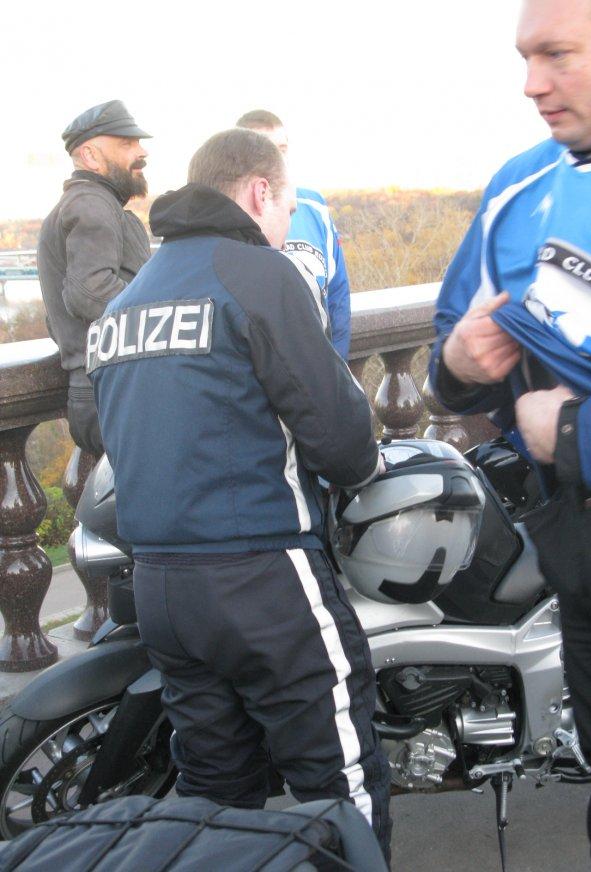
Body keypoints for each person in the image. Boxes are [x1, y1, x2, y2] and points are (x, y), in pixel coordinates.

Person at [87, 128, 391, 859]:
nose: (285, 224)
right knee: (339, 787)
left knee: (215, 799)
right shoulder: (259, 274)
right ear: (259, 192)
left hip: (160, 586)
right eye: (285, 207)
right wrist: (362, 469)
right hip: (262, 579)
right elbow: (342, 439)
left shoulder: (126, 302)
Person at [429, 1, 591, 869]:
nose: (531, 83)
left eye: (558, 54)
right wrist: (458, 363)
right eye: (524, 57)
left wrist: (574, 431)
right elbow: (452, 350)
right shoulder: (517, 188)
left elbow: (565, 426)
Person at [37, 100, 151, 456]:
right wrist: (163, 312)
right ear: (90, 156)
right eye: (126, 143)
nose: (141, 152)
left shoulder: (89, 202)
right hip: (112, 389)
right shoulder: (91, 203)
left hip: (102, 388)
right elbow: (89, 291)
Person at [236, 110, 352, 359]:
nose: (278, 159)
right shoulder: (229, 213)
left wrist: (337, 364)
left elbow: (337, 293)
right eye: (267, 149)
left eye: (282, 148)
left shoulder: (314, 206)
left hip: (319, 367)